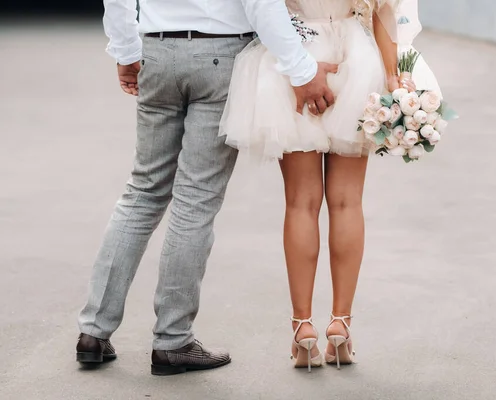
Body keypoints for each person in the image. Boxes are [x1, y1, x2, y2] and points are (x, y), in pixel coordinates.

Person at [76, 0, 338, 376]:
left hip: (157, 51)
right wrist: (301, 69)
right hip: (220, 55)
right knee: (195, 201)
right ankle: (172, 340)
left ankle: (93, 332)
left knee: (143, 191)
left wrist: (127, 50)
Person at [220, 0, 440, 370]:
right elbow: (382, 11)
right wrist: (391, 76)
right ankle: (341, 325)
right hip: (355, 59)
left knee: (300, 203)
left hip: (298, 57)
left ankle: (302, 328)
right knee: (347, 202)